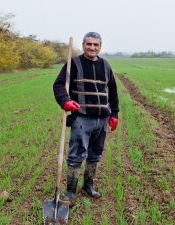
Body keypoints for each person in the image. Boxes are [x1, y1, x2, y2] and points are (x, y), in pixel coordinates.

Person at [53, 32, 119, 203]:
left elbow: (112, 91)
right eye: (89, 44)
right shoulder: (73, 64)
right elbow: (59, 84)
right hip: (82, 119)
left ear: (100, 47)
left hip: (102, 120)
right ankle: (70, 191)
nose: (92, 47)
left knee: (95, 155)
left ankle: (88, 186)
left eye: (96, 45)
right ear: (83, 45)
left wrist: (114, 114)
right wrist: (65, 102)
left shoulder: (105, 65)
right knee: (76, 155)